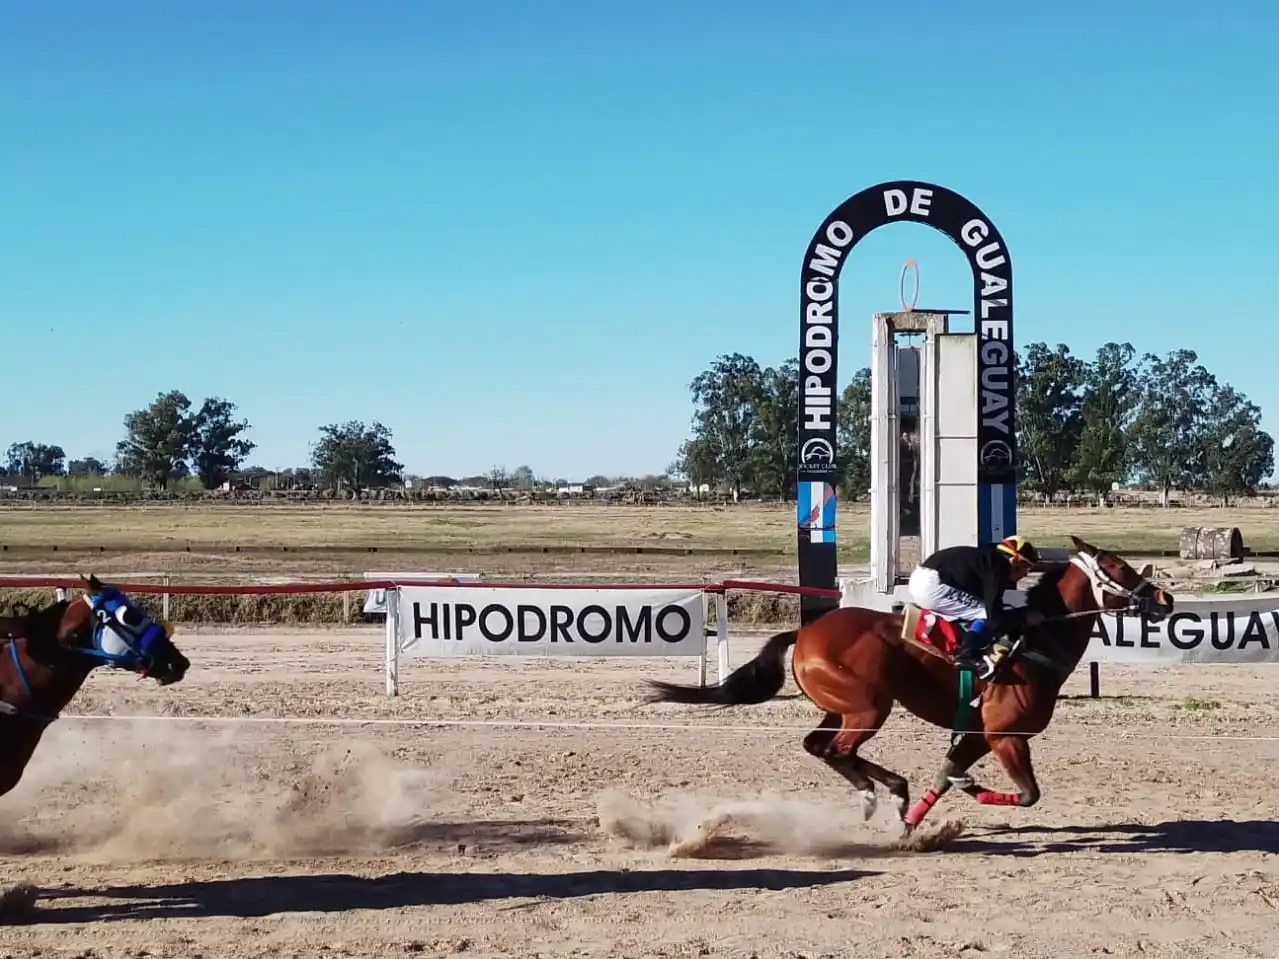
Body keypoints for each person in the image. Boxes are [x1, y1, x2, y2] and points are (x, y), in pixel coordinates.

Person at [906, 535, 1043, 679]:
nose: (1026, 573)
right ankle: (966, 655)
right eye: (1026, 567)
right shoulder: (998, 566)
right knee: (984, 614)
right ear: (1015, 560)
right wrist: (1020, 621)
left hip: (924, 578)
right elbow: (994, 617)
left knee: (982, 610)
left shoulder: (988, 559)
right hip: (933, 585)